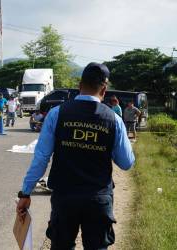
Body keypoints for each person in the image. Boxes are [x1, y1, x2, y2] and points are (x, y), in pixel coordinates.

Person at [16, 62, 135, 250]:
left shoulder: (57, 114)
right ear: (104, 90)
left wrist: (26, 192)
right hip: (98, 199)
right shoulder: (114, 120)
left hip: (65, 198)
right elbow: (127, 163)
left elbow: (41, 158)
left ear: (80, 86)